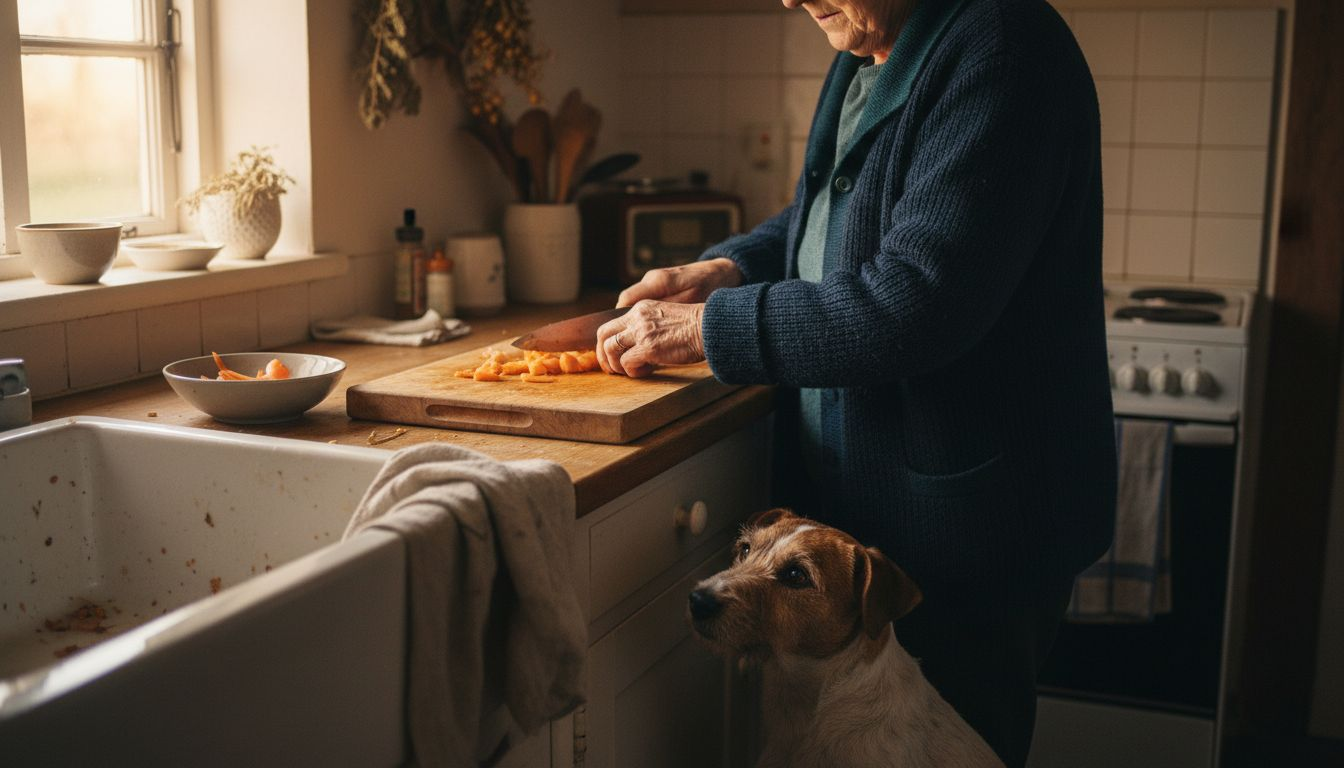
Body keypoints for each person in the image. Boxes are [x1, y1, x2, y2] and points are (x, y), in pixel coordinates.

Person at [595, 0, 1116, 765]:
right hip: (880, 508)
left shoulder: (1004, 51)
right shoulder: (872, 49)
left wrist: (709, 328)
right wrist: (730, 267)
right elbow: (830, 218)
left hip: (967, 533)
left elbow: (916, 302)